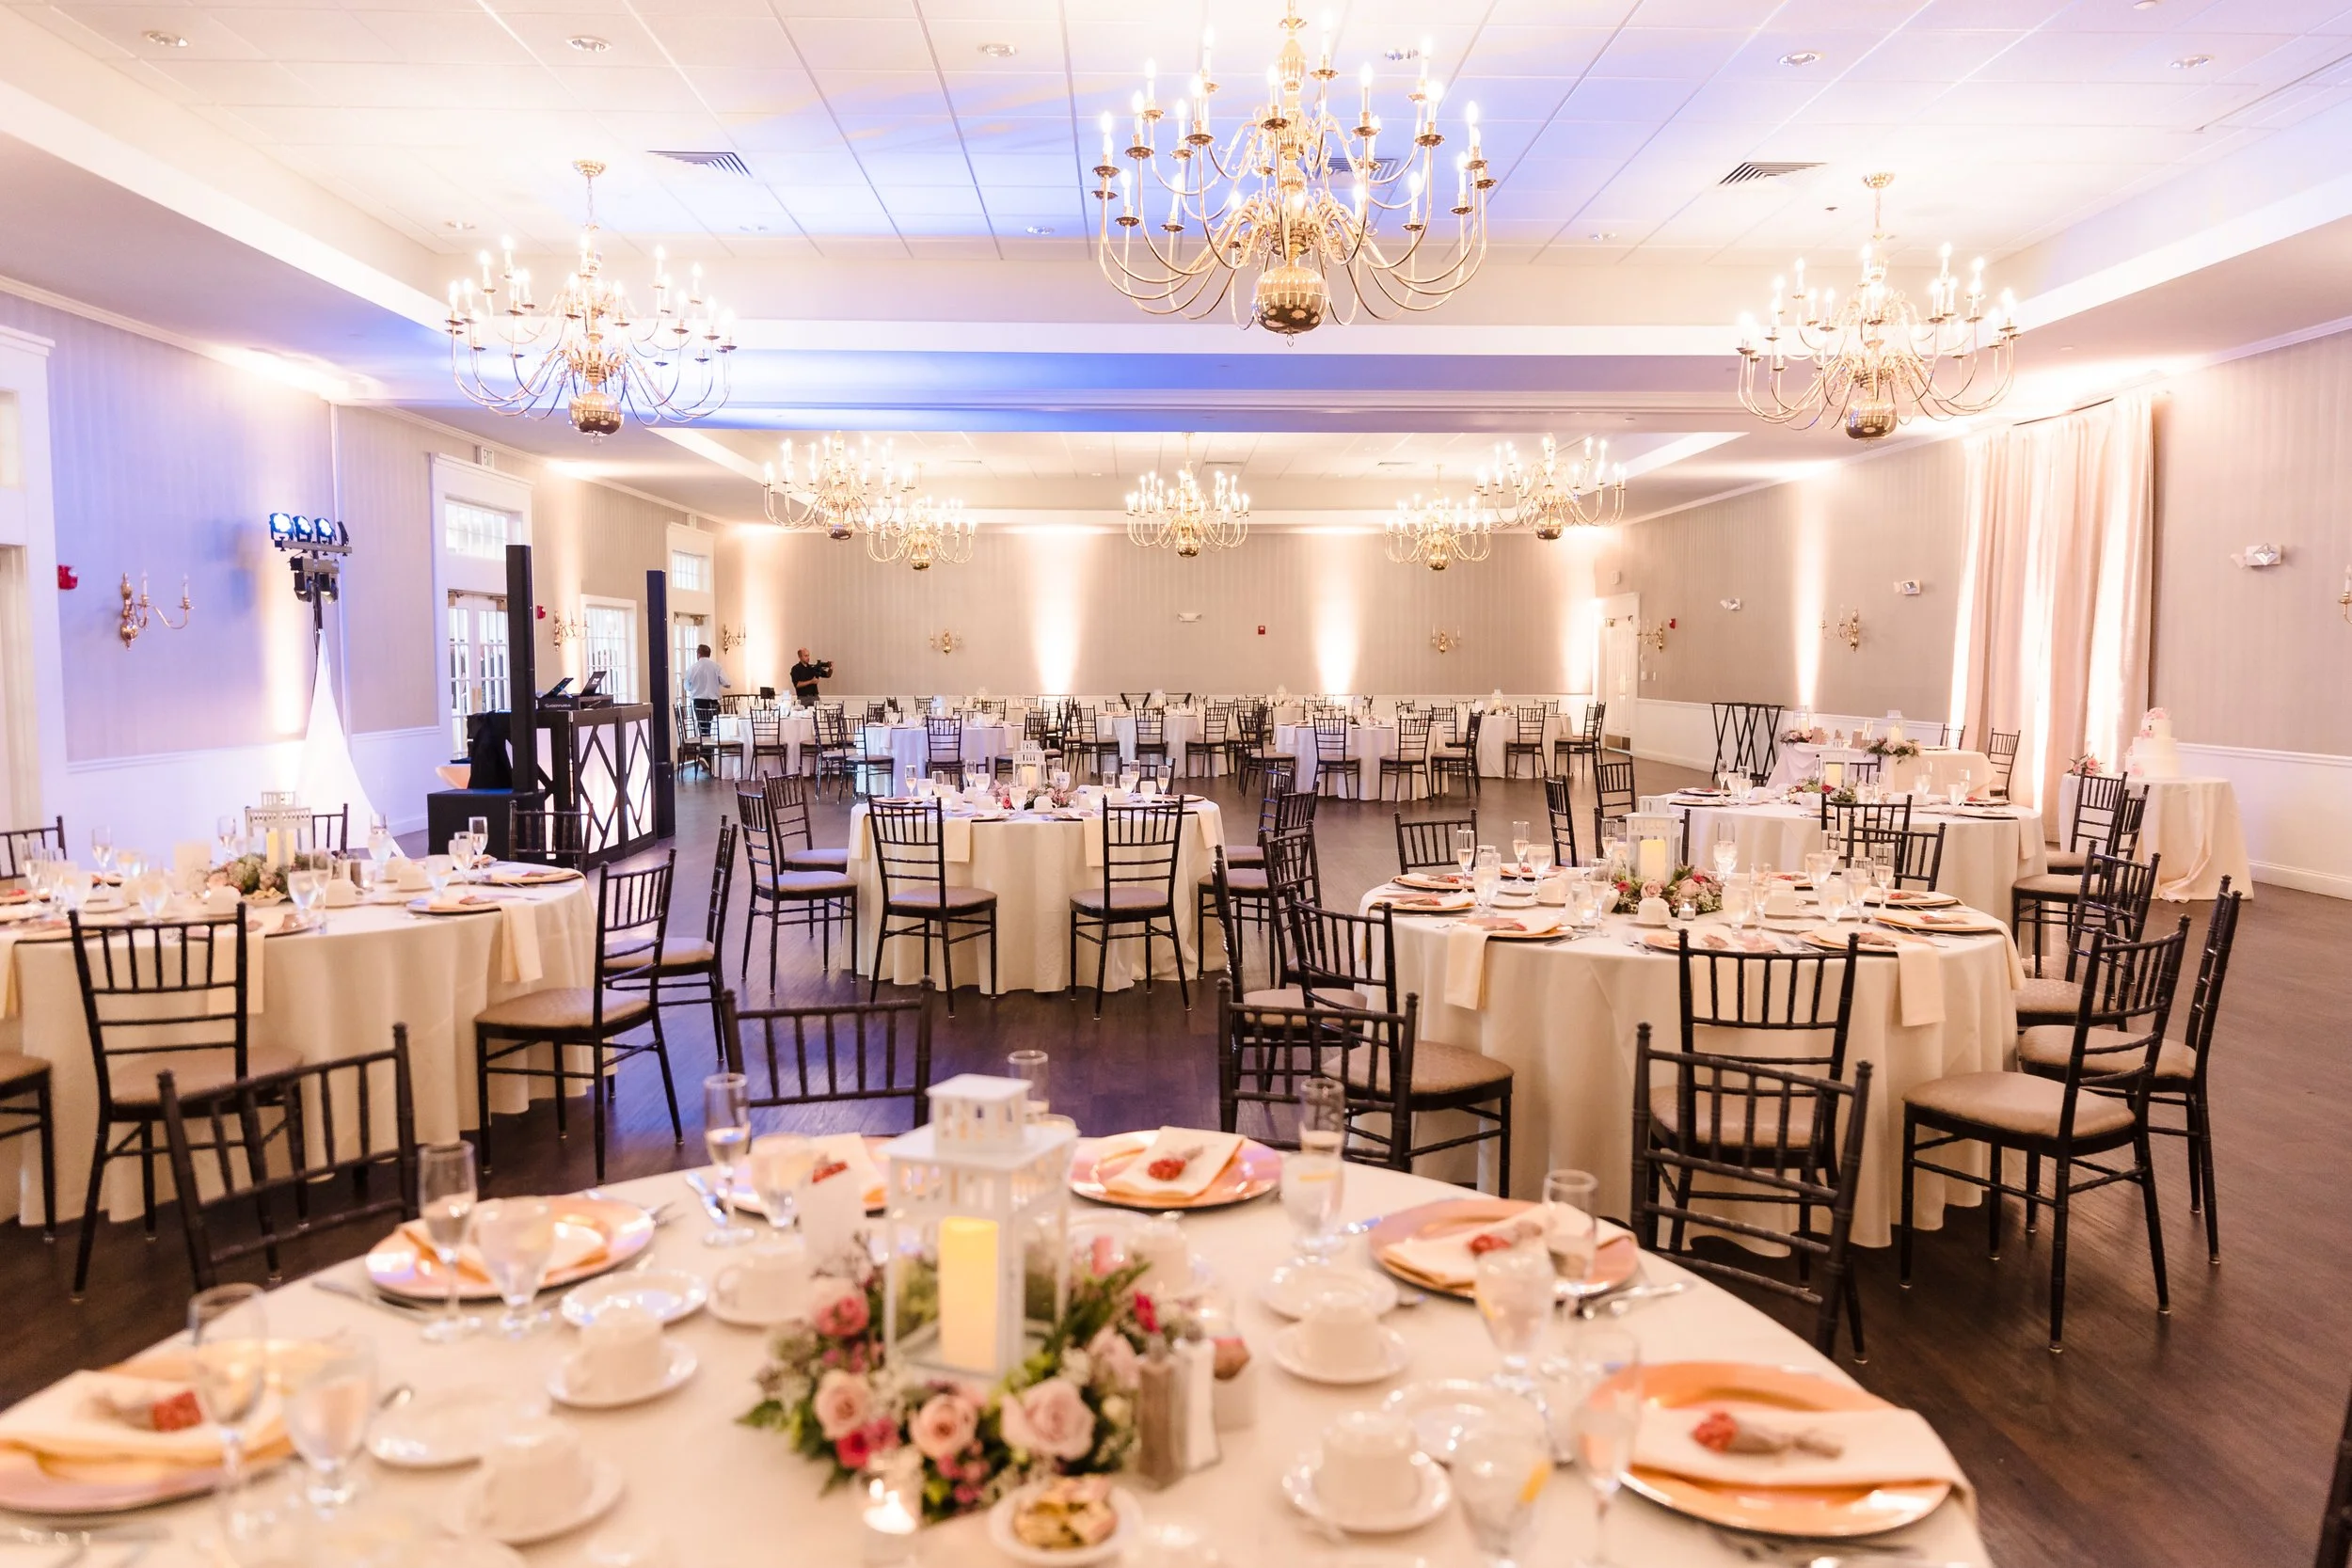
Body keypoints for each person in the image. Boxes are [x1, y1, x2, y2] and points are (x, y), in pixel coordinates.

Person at [682, 643, 729, 728]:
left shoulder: (692, 668)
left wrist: (696, 687)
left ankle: (704, 739)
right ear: (709, 654)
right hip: (713, 702)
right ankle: (714, 740)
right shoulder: (717, 667)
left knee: (703, 727)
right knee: (715, 728)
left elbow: (687, 687)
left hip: (699, 702)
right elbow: (727, 683)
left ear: (698, 654)